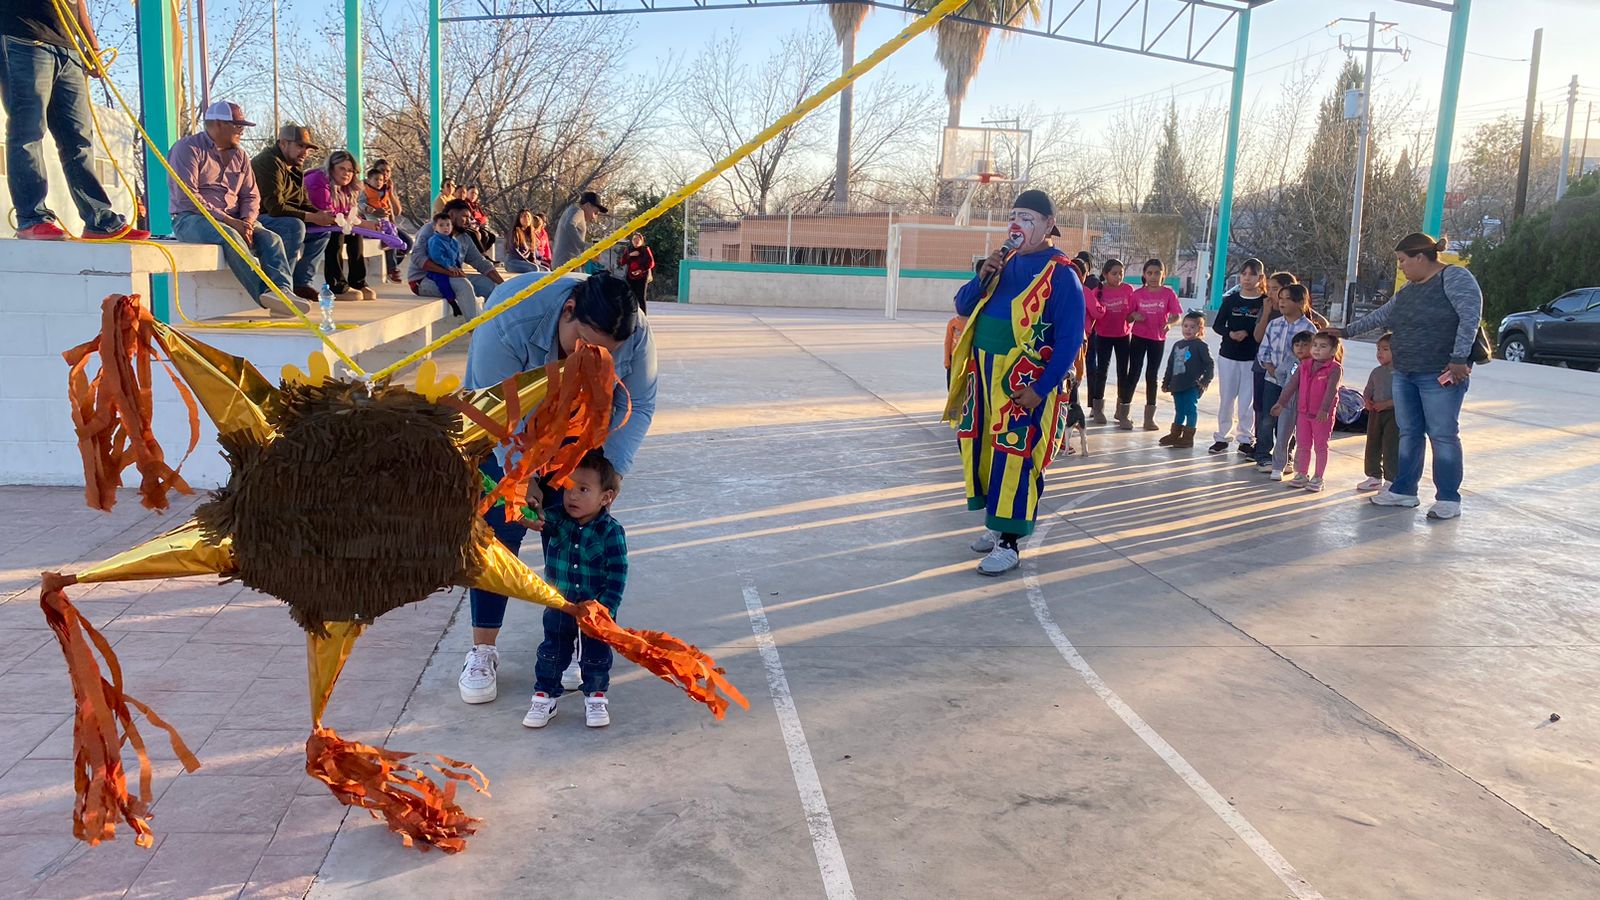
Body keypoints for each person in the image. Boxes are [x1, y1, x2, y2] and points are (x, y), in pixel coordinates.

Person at [457, 271, 658, 707]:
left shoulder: (635, 331)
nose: (594, 360)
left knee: (571, 532)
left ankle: (571, 644)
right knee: (498, 531)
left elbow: (639, 402)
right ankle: (483, 650)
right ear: (568, 312)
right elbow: (490, 404)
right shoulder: (510, 318)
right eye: (585, 347)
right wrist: (521, 474)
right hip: (507, 421)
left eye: (607, 355)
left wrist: (611, 470)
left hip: (579, 426)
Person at [945, 189, 1086, 577]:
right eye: (1015, 215)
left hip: (1024, 383)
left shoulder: (1061, 274)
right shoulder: (1001, 263)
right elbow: (962, 305)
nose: (1019, 223)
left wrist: (1041, 389)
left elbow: (1071, 340)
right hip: (984, 376)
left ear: (1048, 225)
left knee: (1016, 454)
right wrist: (984, 273)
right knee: (984, 449)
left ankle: (1010, 543)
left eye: (1028, 217)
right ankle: (996, 523)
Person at [1337, 232, 1481, 520]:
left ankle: (1449, 498)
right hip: (1404, 371)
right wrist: (1344, 332)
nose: (1401, 267)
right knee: (1409, 432)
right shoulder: (1409, 290)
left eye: (1403, 261)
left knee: (1442, 434)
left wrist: (1458, 358)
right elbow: (1382, 315)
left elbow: (1470, 317)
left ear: (1420, 257)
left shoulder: (1454, 278)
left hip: (1440, 373)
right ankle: (1404, 490)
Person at [2, 0, 149, 241]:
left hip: (68, 47)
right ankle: (32, 218)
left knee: (79, 139)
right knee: (27, 132)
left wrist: (91, 44)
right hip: (24, 37)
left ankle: (99, 220)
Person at [519, 449, 629, 729]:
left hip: (596, 609)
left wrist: (608, 607)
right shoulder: (556, 519)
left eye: (583, 489)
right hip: (560, 604)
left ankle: (595, 696)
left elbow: (618, 571)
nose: (572, 496)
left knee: (596, 653)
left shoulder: (611, 531)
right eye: (568, 487)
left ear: (606, 497)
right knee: (552, 650)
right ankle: (545, 696)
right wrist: (524, 507)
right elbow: (532, 517)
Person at [166, 101, 308, 317]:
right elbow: (188, 196)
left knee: (272, 239)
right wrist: (230, 222)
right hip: (192, 218)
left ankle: (283, 293)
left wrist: (248, 222)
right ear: (216, 124)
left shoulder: (241, 156)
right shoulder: (187, 149)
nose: (241, 131)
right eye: (237, 125)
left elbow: (251, 195)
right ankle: (265, 295)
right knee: (229, 234)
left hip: (236, 220)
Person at [251, 123, 336, 301]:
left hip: (281, 217)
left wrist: (326, 217)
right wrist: (313, 217)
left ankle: (301, 283)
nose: (305, 152)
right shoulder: (267, 162)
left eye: (307, 147)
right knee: (293, 226)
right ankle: (281, 288)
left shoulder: (296, 169)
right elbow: (274, 207)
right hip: (258, 219)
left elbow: (303, 204)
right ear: (283, 143)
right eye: (300, 146)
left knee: (324, 231)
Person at [1254, 284, 1317, 472]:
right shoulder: (1274, 324)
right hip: (1272, 380)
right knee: (1267, 417)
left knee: (1290, 421)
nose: (1281, 301)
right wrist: (1270, 368)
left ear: (1300, 303)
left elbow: (1312, 356)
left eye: (1287, 298)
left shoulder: (1309, 328)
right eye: (1280, 298)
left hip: (1296, 384)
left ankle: (1285, 457)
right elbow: (1264, 350)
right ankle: (1263, 456)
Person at [404, 198, 506, 315]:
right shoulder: (430, 229)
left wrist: (504, 285)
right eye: (465, 217)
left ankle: (493, 324)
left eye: (470, 218)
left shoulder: (464, 237)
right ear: (451, 214)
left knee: (489, 285)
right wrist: (449, 272)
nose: (468, 221)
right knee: (463, 285)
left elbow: (481, 262)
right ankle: (476, 329)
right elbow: (418, 258)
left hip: (453, 276)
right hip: (423, 280)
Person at [1209, 258, 1267, 455]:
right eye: (1244, 274)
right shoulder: (1231, 300)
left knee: (1247, 400)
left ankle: (1245, 438)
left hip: (1252, 358)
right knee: (1227, 397)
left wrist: (1249, 334)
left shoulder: (1265, 302)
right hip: (1228, 356)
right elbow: (1217, 325)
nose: (1247, 278)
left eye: (1252, 274)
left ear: (1260, 277)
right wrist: (1230, 334)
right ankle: (1222, 437)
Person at [1273, 331, 1343, 492]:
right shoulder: (1305, 365)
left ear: (1333, 351)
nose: (1317, 349)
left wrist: (1324, 409)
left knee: (1320, 446)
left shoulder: (1334, 369)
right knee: (1303, 445)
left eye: (1323, 346)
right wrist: (1281, 402)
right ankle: (1302, 474)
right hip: (1303, 413)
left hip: (1321, 415)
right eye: (1315, 345)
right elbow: (1291, 385)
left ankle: (1318, 477)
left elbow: (1332, 390)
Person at [1118, 258, 1183, 432]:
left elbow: (1177, 315)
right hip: (1139, 337)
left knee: (1152, 376)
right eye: (1149, 273)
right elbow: (1128, 316)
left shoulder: (1169, 294)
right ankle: (1124, 414)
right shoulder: (1137, 294)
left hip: (1157, 339)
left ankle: (1149, 418)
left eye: (1157, 273)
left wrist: (1170, 323)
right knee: (1133, 373)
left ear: (1163, 275)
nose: (1153, 277)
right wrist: (1134, 317)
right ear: (1144, 275)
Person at [304, 149, 376, 302]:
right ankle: (337, 285)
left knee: (355, 233)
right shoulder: (318, 180)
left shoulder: (347, 188)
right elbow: (327, 215)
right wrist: (361, 222)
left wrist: (363, 224)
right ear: (331, 168)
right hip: (309, 222)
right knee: (336, 233)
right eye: (342, 168)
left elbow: (349, 215)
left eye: (350, 170)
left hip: (330, 223)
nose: (346, 174)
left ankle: (358, 282)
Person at [1086, 259, 1133, 424]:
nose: (1118, 276)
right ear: (1105, 274)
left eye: (1121, 273)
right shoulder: (1098, 291)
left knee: (1123, 372)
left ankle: (1122, 411)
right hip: (1103, 335)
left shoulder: (1128, 289)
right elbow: (1091, 311)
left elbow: (1133, 310)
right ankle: (1097, 408)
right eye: (1114, 273)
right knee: (1101, 372)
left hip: (1123, 335)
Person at [1159, 311, 1214, 449]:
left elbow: (1209, 364)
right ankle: (1175, 434)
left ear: (1200, 329)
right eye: (1185, 326)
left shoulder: (1201, 346)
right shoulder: (1177, 344)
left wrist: (1204, 382)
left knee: (1190, 410)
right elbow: (1171, 365)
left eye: (1192, 327)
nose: (1188, 329)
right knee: (1179, 410)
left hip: (1192, 385)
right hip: (1177, 384)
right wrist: (1166, 382)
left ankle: (1188, 437)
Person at [1264, 332, 1314, 481]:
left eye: (1305, 345)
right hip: (1287, 402)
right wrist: (1285, 386)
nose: (1300, 348)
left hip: (1307, 404)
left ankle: (1300, 469)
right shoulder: (1290, 360)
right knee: (1282, 435)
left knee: (1303, 439)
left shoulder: (1314, 363)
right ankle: (1278, 466)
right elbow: (1279, 373)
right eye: (1297, 345)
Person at [1358, 334, 1399, 492]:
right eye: (1378, 349)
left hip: (1393, 414)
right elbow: (1368, 389)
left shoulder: (1400, 373)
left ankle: (1391, 479)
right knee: (1372, 444)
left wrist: (1387, 404)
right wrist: (1367, 400)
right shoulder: (1376, 371)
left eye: (1385, 349)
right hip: (1375, 413)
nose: (1380, 353)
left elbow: (1402, 396)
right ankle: (1374, 476)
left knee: (1391, 446)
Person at [360, 159, 411, 283]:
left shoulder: (386, 189)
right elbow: (358, 205)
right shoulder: (364, 187)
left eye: (388, 171)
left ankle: (390, 265)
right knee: (390, 239)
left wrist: (391, 192)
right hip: (369, 222)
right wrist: (372, 210)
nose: (385, 174)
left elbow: (397, 211)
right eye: (382, 171)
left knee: (408, 243)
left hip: (387, 223)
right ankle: (391, 268)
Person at [422, 212, 466, 313]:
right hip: (438, 269)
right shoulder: (435, 240)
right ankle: (452, 302)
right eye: (441, 225)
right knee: (443, 282)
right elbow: (437, 257)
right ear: (435, 227)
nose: (445, 228)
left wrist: (457, 267)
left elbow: (456, 256)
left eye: (448, 225)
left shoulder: (453, 241)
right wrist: (448, 267)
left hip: (451, 267)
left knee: (462, 279)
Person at [553, 190, 607, 267]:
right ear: (587, 205)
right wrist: (583, 246)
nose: (594, 217)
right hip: (567, 263)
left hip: (567, 262)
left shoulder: (572, 210)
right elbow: (569, 225)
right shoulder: (578, 211)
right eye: (595, 213)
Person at [618, 232, 655, 314]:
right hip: (630, 276)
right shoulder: (628, 249)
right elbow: (622, 262)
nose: (636, 241)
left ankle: (643, 317)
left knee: (641, 297)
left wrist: (641, 270)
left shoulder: (645, 249)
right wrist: (630, 255)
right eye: (634, 239)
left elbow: (651, 263)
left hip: (642, 277)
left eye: (638, 239)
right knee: (630, 296)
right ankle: (631, 315)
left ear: (642, 241)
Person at [506, 209, 547, 274]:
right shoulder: (515, 231)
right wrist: (527, 261)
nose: (526, 218)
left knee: (545, 269)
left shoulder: (531, 233)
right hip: (514, 261)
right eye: (523, 216)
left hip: (526, 262)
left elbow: (532, 252)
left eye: (528, 216)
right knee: (534, 268)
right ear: (519, 219)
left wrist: (534, 261)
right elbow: (514, 250)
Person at [463, 184, 497, 257]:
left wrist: (479, 219)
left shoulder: (476, 206)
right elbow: (473, 216)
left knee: (492, 237)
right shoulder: (465, 204)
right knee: (484, 235)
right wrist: (479, 218)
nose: (474, 195)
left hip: (478, 225)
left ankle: (481, 254)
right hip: (470, 227)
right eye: (472, 192)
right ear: (467, 193)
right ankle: (479, 255)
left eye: (476, 194)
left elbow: (484, 217)